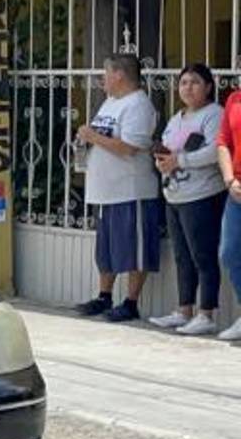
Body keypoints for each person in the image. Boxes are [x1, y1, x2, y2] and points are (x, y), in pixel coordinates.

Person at [75, 53, 160, 322]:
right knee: (107, 249)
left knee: (135, 249)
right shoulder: (110, 102)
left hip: (131, 189)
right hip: (105, 190)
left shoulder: (138, 105)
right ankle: (104, 296)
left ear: (119, 74)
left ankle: (131, 302)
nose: (103, 79)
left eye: (106, 73)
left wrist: (92, 136)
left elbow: (130, 147)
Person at [148, 63, 226, 335]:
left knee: (203, 255)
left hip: (202, 195)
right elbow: (168, 148)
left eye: (194, 82)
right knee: (182, 256)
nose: (188, 88)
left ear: (208, 87)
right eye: (183, 83)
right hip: (175, 195)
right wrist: (162, 162)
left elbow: (215, 151)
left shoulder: (214, 114)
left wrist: (180, 161)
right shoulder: (176, 118)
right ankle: (184, 310)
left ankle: (207, 314)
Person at [216, 83, 241, 341]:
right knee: (230, 252)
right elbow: (223, 142)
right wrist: (229, 179)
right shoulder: (234, 100)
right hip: (237, 190)